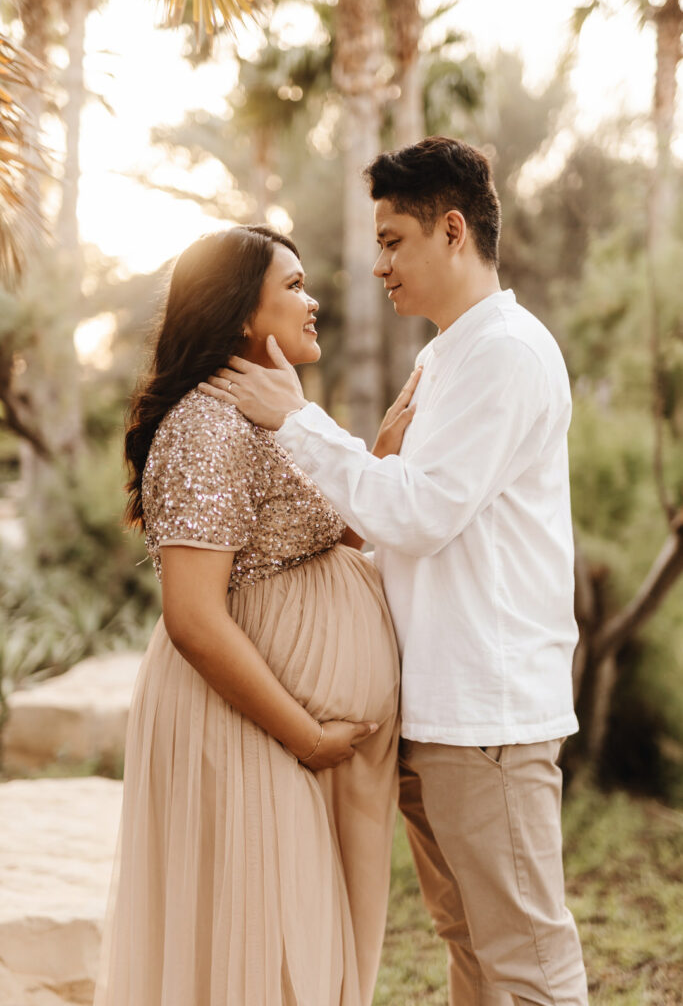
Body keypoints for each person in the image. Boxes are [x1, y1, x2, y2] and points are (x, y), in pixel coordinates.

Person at [202, 137, 590, 1005]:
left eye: (392, 241)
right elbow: (395, 523)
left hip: (486, 718)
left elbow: (418, 512)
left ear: (451, 230)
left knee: (525, 958)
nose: (376, 265)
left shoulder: (506, 355)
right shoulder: (444, 356)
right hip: (434, 712)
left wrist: (297, 424)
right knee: (471, 948)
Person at [93, 225, 408, 1006]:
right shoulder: (205, 426)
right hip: (248, 729)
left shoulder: (272, 413)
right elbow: (193, 618)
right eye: (294, 286)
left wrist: (380, 455)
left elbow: (334, 529)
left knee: (308, 950)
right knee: (267, 959)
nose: (315, 301)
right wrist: (305, 736)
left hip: (298, 738)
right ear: (241, 313)